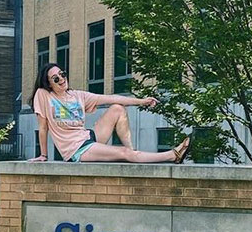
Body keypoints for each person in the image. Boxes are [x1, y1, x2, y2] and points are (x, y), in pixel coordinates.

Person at [28, 62, 190, 163]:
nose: (61, 79)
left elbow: (111, 97)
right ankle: (172, 155)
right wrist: (43, 155)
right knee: (123, 153)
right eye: (55, 78)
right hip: (76, 149)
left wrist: (142, 101)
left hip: (88, 137)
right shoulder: (44, 95)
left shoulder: (78, 95)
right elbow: (43, 127)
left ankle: (132, 153)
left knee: (117, 108)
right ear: (48, 83)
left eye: (62, 74)